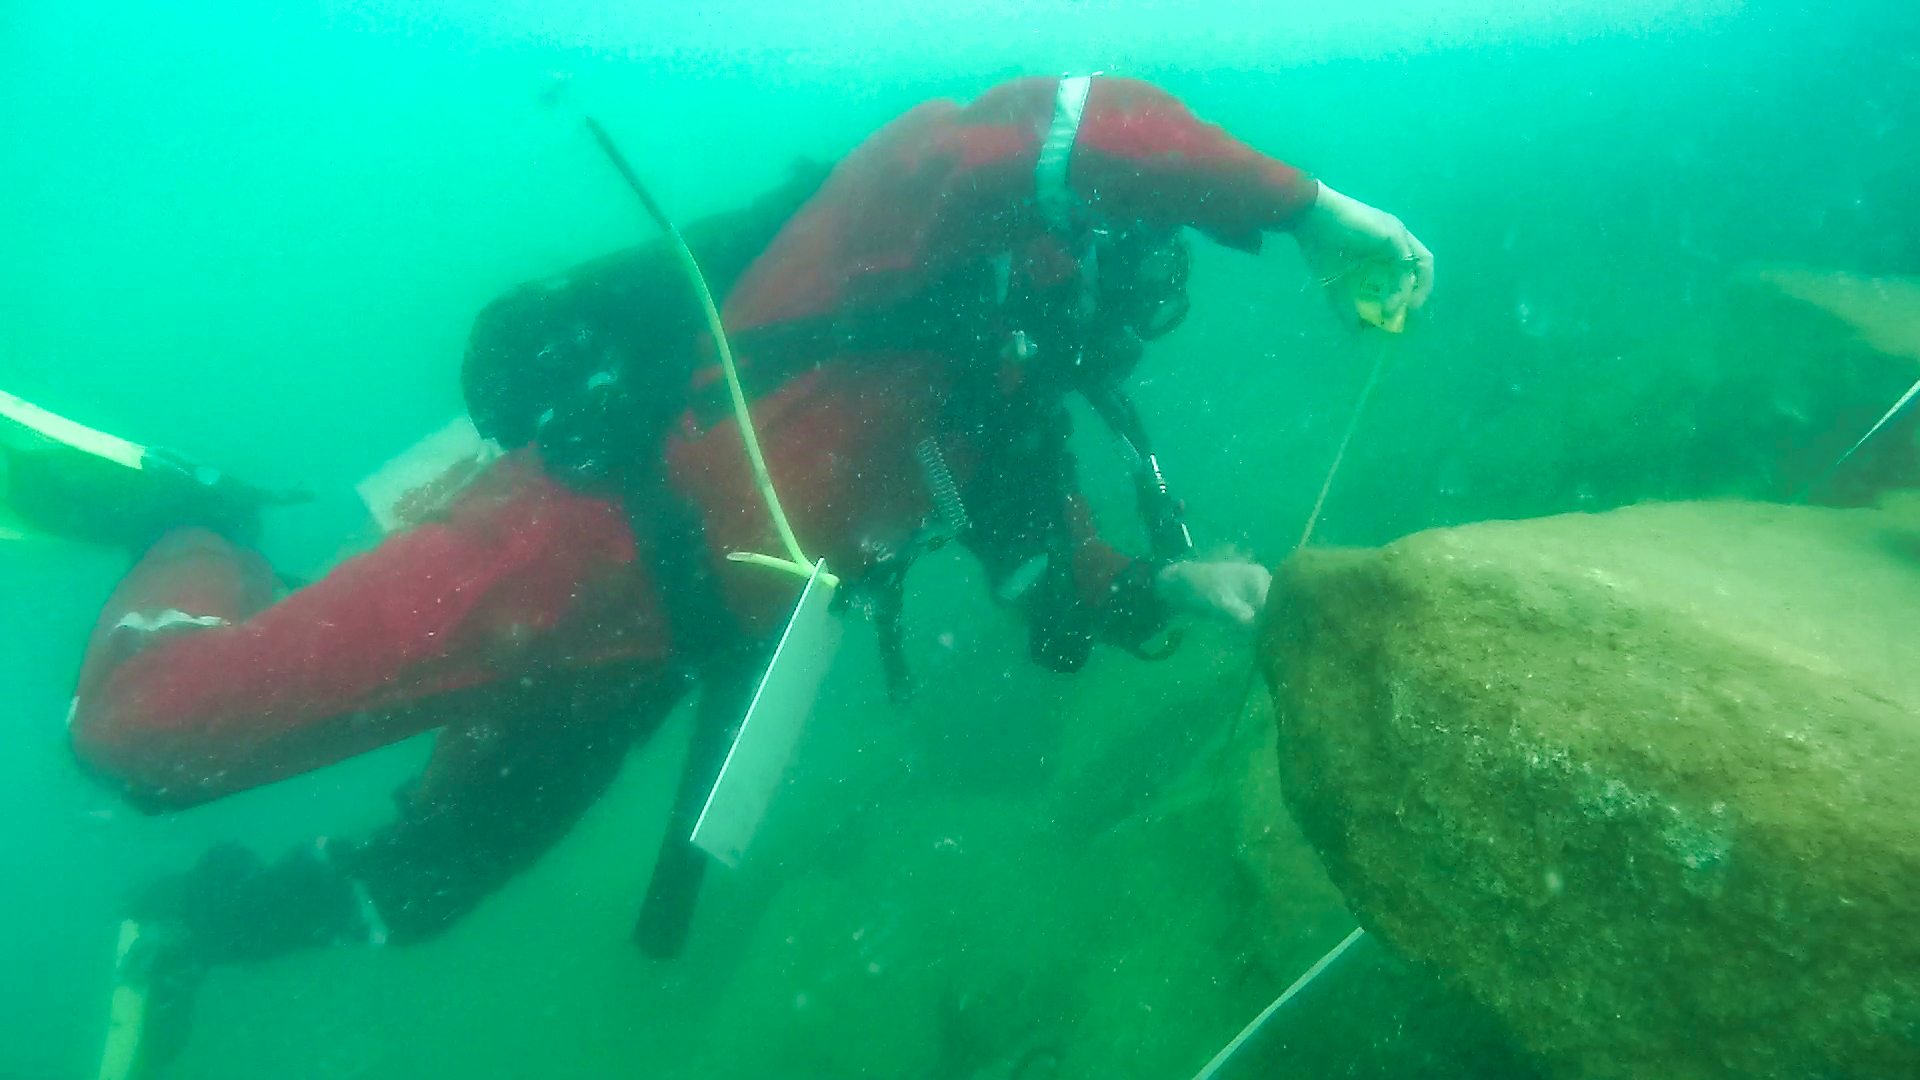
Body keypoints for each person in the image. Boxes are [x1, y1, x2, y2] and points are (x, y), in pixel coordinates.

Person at [67, 74, 1432, 1077]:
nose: (1122, 327)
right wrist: (1307, 213)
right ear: (1074, 242)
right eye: (1125, 275)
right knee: (144, 742)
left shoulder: (994, 405)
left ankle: (189, 929)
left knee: (428, 881)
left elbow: (1047, 589)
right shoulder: (908, 215)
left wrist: (1176, 590)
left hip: (643, 661)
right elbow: (1058, 126)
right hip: (554, 550)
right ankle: (195, 521)